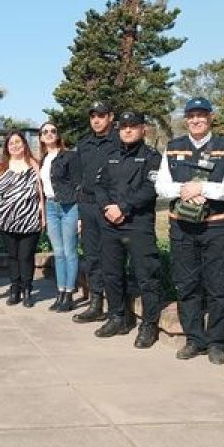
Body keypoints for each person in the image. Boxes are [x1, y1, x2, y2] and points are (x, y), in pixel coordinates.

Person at [156, 97, 224, 365]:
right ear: (186, 119)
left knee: (218, 285)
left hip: (217, 226)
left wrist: (203, 189)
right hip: (182, 227)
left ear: (211, 117)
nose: (196, 120)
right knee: (187, 285)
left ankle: (216, 342)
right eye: (192, 115)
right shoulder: (173, 148)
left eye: (201, 115)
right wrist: (187, 190)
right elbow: (161, 185)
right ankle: (194, 339)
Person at [93, 112, 163, 348]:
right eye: (124, 127)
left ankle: (149, 325)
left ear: (143, 129)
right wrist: (108, 208)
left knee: (147, 277)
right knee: (111, 274)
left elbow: (150, 189)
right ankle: (118, 317)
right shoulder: (110, 155)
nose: (128, 130)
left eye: (133, 126)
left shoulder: (152, 157)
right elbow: (100, 186)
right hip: (110, 223)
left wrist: (123, 207)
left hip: (138, 223)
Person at [72, 102, 121, 323]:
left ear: (110, 117)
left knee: (111, 257)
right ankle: (95, 303)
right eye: (93, 116)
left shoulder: (120, 141)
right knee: (92, 257)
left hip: (110, 206)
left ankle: (116, 308)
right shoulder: (84, 144)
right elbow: (79, 176)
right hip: (88, 206)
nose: (96, 120)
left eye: (101, 115)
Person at [0, 130, 45, 308]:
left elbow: (41, 194)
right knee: (13, 256)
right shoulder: (1, 167)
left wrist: (43, 217)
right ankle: (14, 289)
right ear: (7, 148)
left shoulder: (35, 165)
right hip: (7, 220)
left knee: (26, 256)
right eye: (11, 143)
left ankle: (27, 291)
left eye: (18, 142)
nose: (15, 146)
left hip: (30, 219)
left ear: (24, 144)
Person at [38, 121, 81, 312]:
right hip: (51, 206)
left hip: (69, 206)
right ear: (40, 137)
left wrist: (80, 216)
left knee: (70, 251)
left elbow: (79, 184)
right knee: (58, 252)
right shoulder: (43, 159)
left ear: (58, 135)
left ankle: (69, 294)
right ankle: (60, 292)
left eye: (52, 131)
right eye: (45, 132)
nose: (49, 134)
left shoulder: (70, 156)